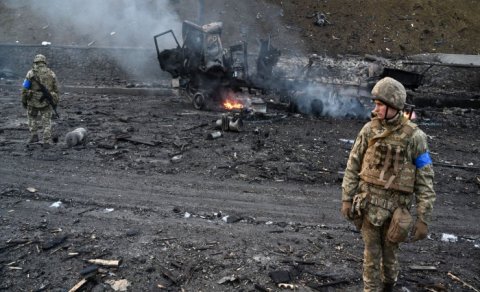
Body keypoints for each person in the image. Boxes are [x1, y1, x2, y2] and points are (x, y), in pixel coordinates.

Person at [341, 77, 435, 292]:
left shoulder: (415, 137)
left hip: (396, 211)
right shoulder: (369, 130)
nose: (376, 109)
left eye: (380, 105)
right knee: (370, 255)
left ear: (394, 106)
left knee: (390, 257)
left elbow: (425, 179)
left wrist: (423, 218)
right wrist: (347, 197)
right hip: (368, 205)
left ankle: (388, 285)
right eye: (375, 104)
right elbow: (353, 164)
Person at [21, 54, 59, 145]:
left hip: (32, 100)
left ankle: (34, 136)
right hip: (46, 101)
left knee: (32, 118)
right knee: (46, 122)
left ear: (35, 62)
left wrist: (24, 101)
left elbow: (24, 89)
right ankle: (46, 140)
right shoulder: (51, 73)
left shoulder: (30, 73)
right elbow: (56, 89)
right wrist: (55, 102)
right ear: (44, 62)